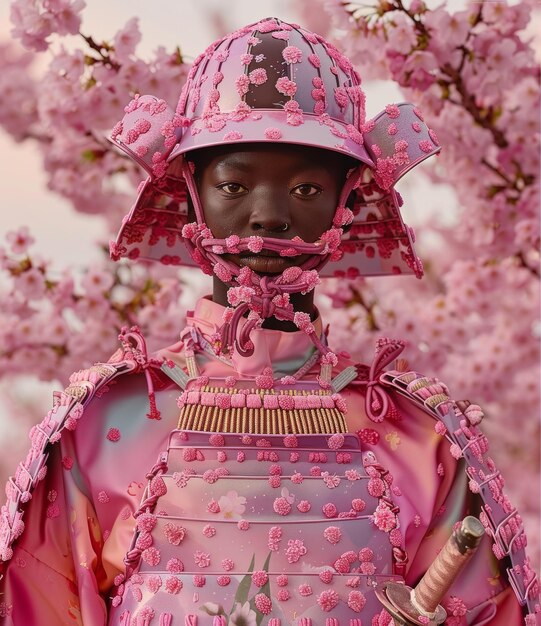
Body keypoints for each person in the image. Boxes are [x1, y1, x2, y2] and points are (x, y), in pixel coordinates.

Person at [0, 17, 539, 626]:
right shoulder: (100, 419)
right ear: (191, 191)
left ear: (349, 201)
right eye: (234, 182)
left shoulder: (421, 436)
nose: (268, 215)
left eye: (307, 189)